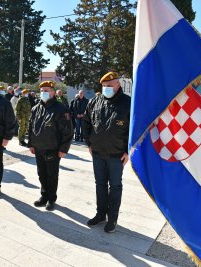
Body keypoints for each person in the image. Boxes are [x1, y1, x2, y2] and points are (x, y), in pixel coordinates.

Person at [82, 71, 130, 233]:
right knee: (100, 185)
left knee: (115, 186)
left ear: (118, 85)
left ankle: (113, 218)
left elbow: (133, 131)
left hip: (117, 155)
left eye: (109, 86)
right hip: (97, 153)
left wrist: (128, 151)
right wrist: (88, 143)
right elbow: (87, 122)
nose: (106, 88)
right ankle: (100, 214)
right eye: (103, 86)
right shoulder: (95, 101)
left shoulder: (128, 103)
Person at [28, 81, 74, 211]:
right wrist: (31, 144)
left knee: (52, 175)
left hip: (53, 149)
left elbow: (68, 131)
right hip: (38, 148)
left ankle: (51, 199)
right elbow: (31, 127)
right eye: (42, 90)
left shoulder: (61, 109)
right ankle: (44, 196)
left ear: (53, 92)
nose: (44, 92)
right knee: (41, 174)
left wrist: (63, 149)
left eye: (47, 90)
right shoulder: (36, 108)